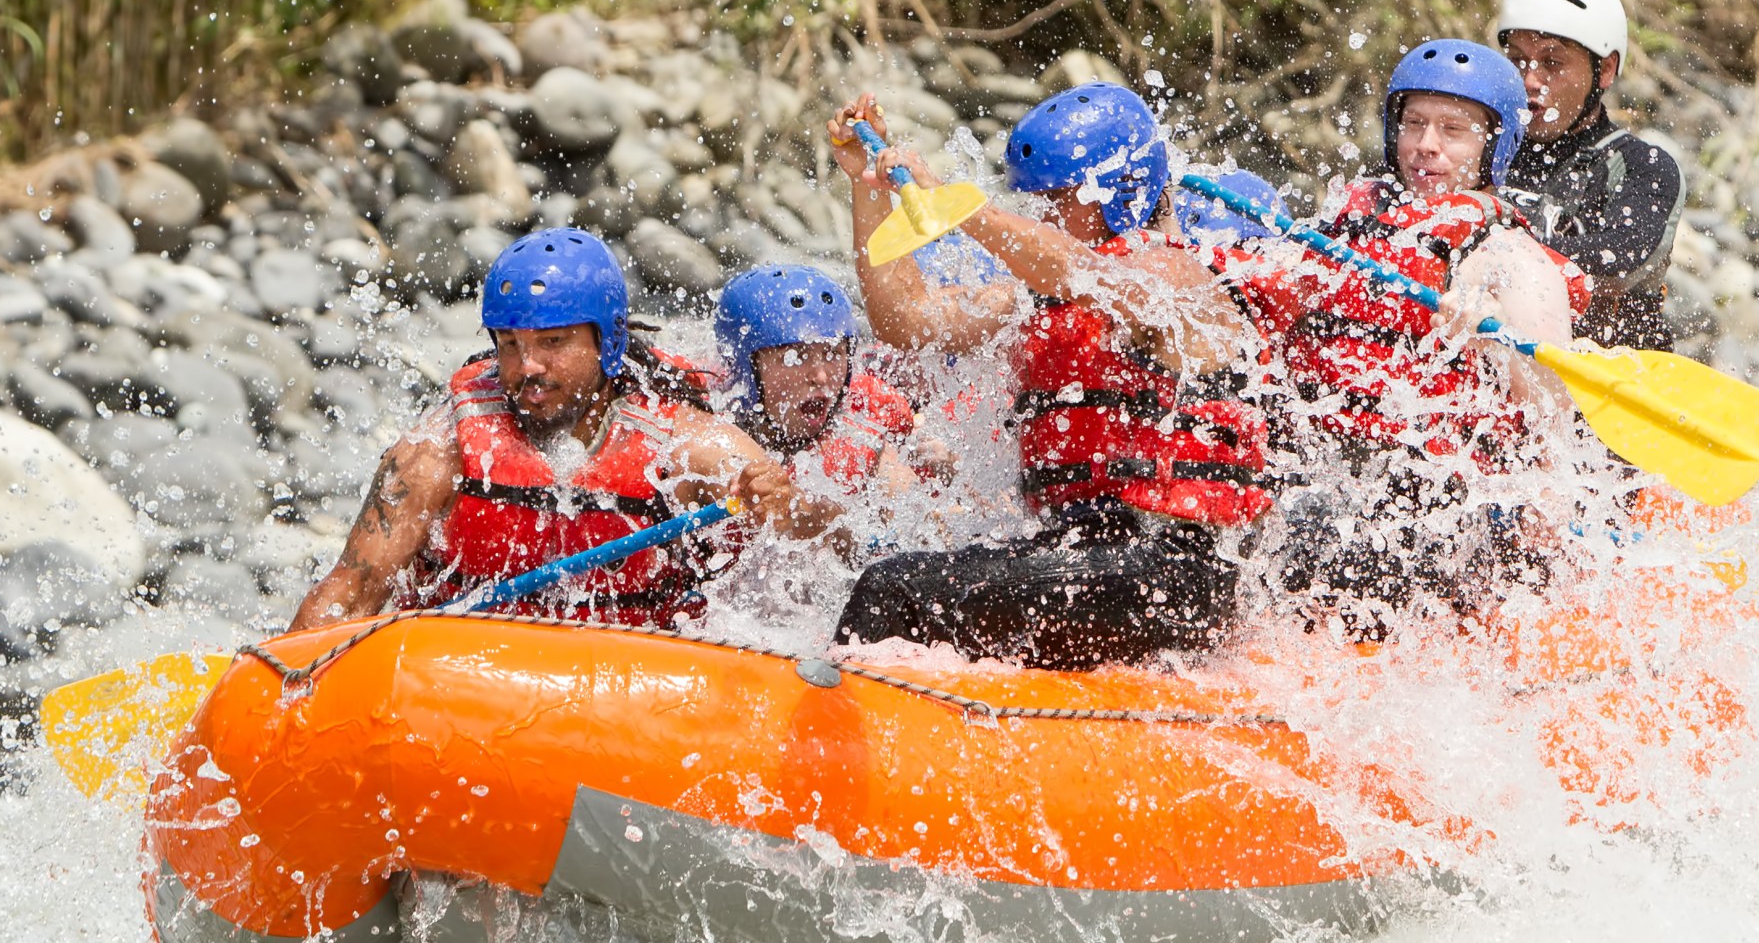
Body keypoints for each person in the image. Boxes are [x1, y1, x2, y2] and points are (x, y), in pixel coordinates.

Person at [821, 85, 1271, 670]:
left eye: (1060, 198)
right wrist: (866, 188)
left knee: (894, 590)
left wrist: (956, 203)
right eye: (1039, 201)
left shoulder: (1169, 273)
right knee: (913, 578)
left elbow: (1078, 271)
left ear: (1118, 192)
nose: (1046, 214)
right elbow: (906, 320)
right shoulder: (1031, 294)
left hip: (1174, 567)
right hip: (1087, 559)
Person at [1225, 40, 1597, 629]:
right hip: (1317, 472)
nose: (1427, 146)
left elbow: (1551, 433)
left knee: (1309, 535)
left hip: (1434, 506)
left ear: (1493, 147)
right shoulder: (1344, 225)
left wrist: (1487, 324)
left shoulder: (1506, 258)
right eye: (1415, 124)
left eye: (1453, 130)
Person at [292, 229, 834, 630]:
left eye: (552, 343)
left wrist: (783, 504)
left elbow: (822, 533)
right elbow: (349, 594)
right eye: (510, 344)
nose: (527, 366)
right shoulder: (439, 451)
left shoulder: (688, 447)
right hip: (461, 684)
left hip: (636, 687)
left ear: (609, 342)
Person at [1493, 0, 1685, 351]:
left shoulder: (1642, 167)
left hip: (1607, 383)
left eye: (1552, 62)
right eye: (1517, 59)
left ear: (1606, 70)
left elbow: (1617, 259)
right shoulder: (1482, 149)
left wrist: (1487, 247)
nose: (1529, 79)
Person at [710, 264, 941, 495]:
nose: (820, 377)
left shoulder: (866, 426)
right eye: (796, 357)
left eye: (832, 353)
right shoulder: (713, 443)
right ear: (747, 368)